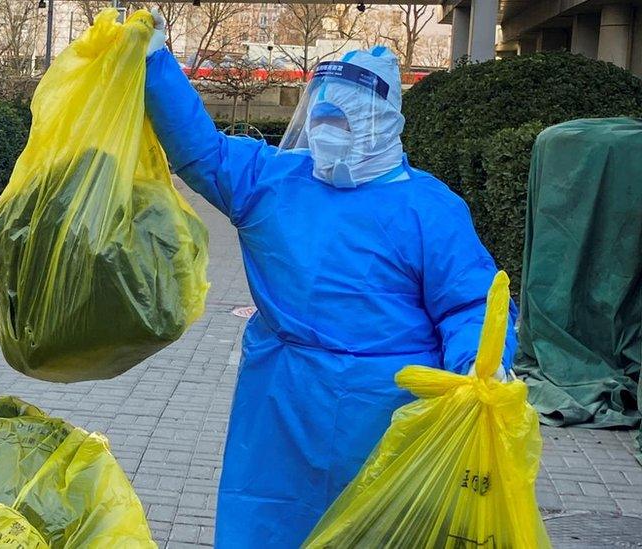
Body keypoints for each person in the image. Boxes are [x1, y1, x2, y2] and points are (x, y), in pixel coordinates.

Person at [145, 14, 517, 548]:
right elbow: (200, 149)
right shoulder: (273, 181)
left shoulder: (428, 209)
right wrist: (155, 62)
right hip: (282, 406)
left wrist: (482, 367)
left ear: (381, 123)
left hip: (390, 416)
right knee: (270, 522)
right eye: (319, 118)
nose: (324, 133)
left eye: (341, 121)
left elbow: (469, 304)